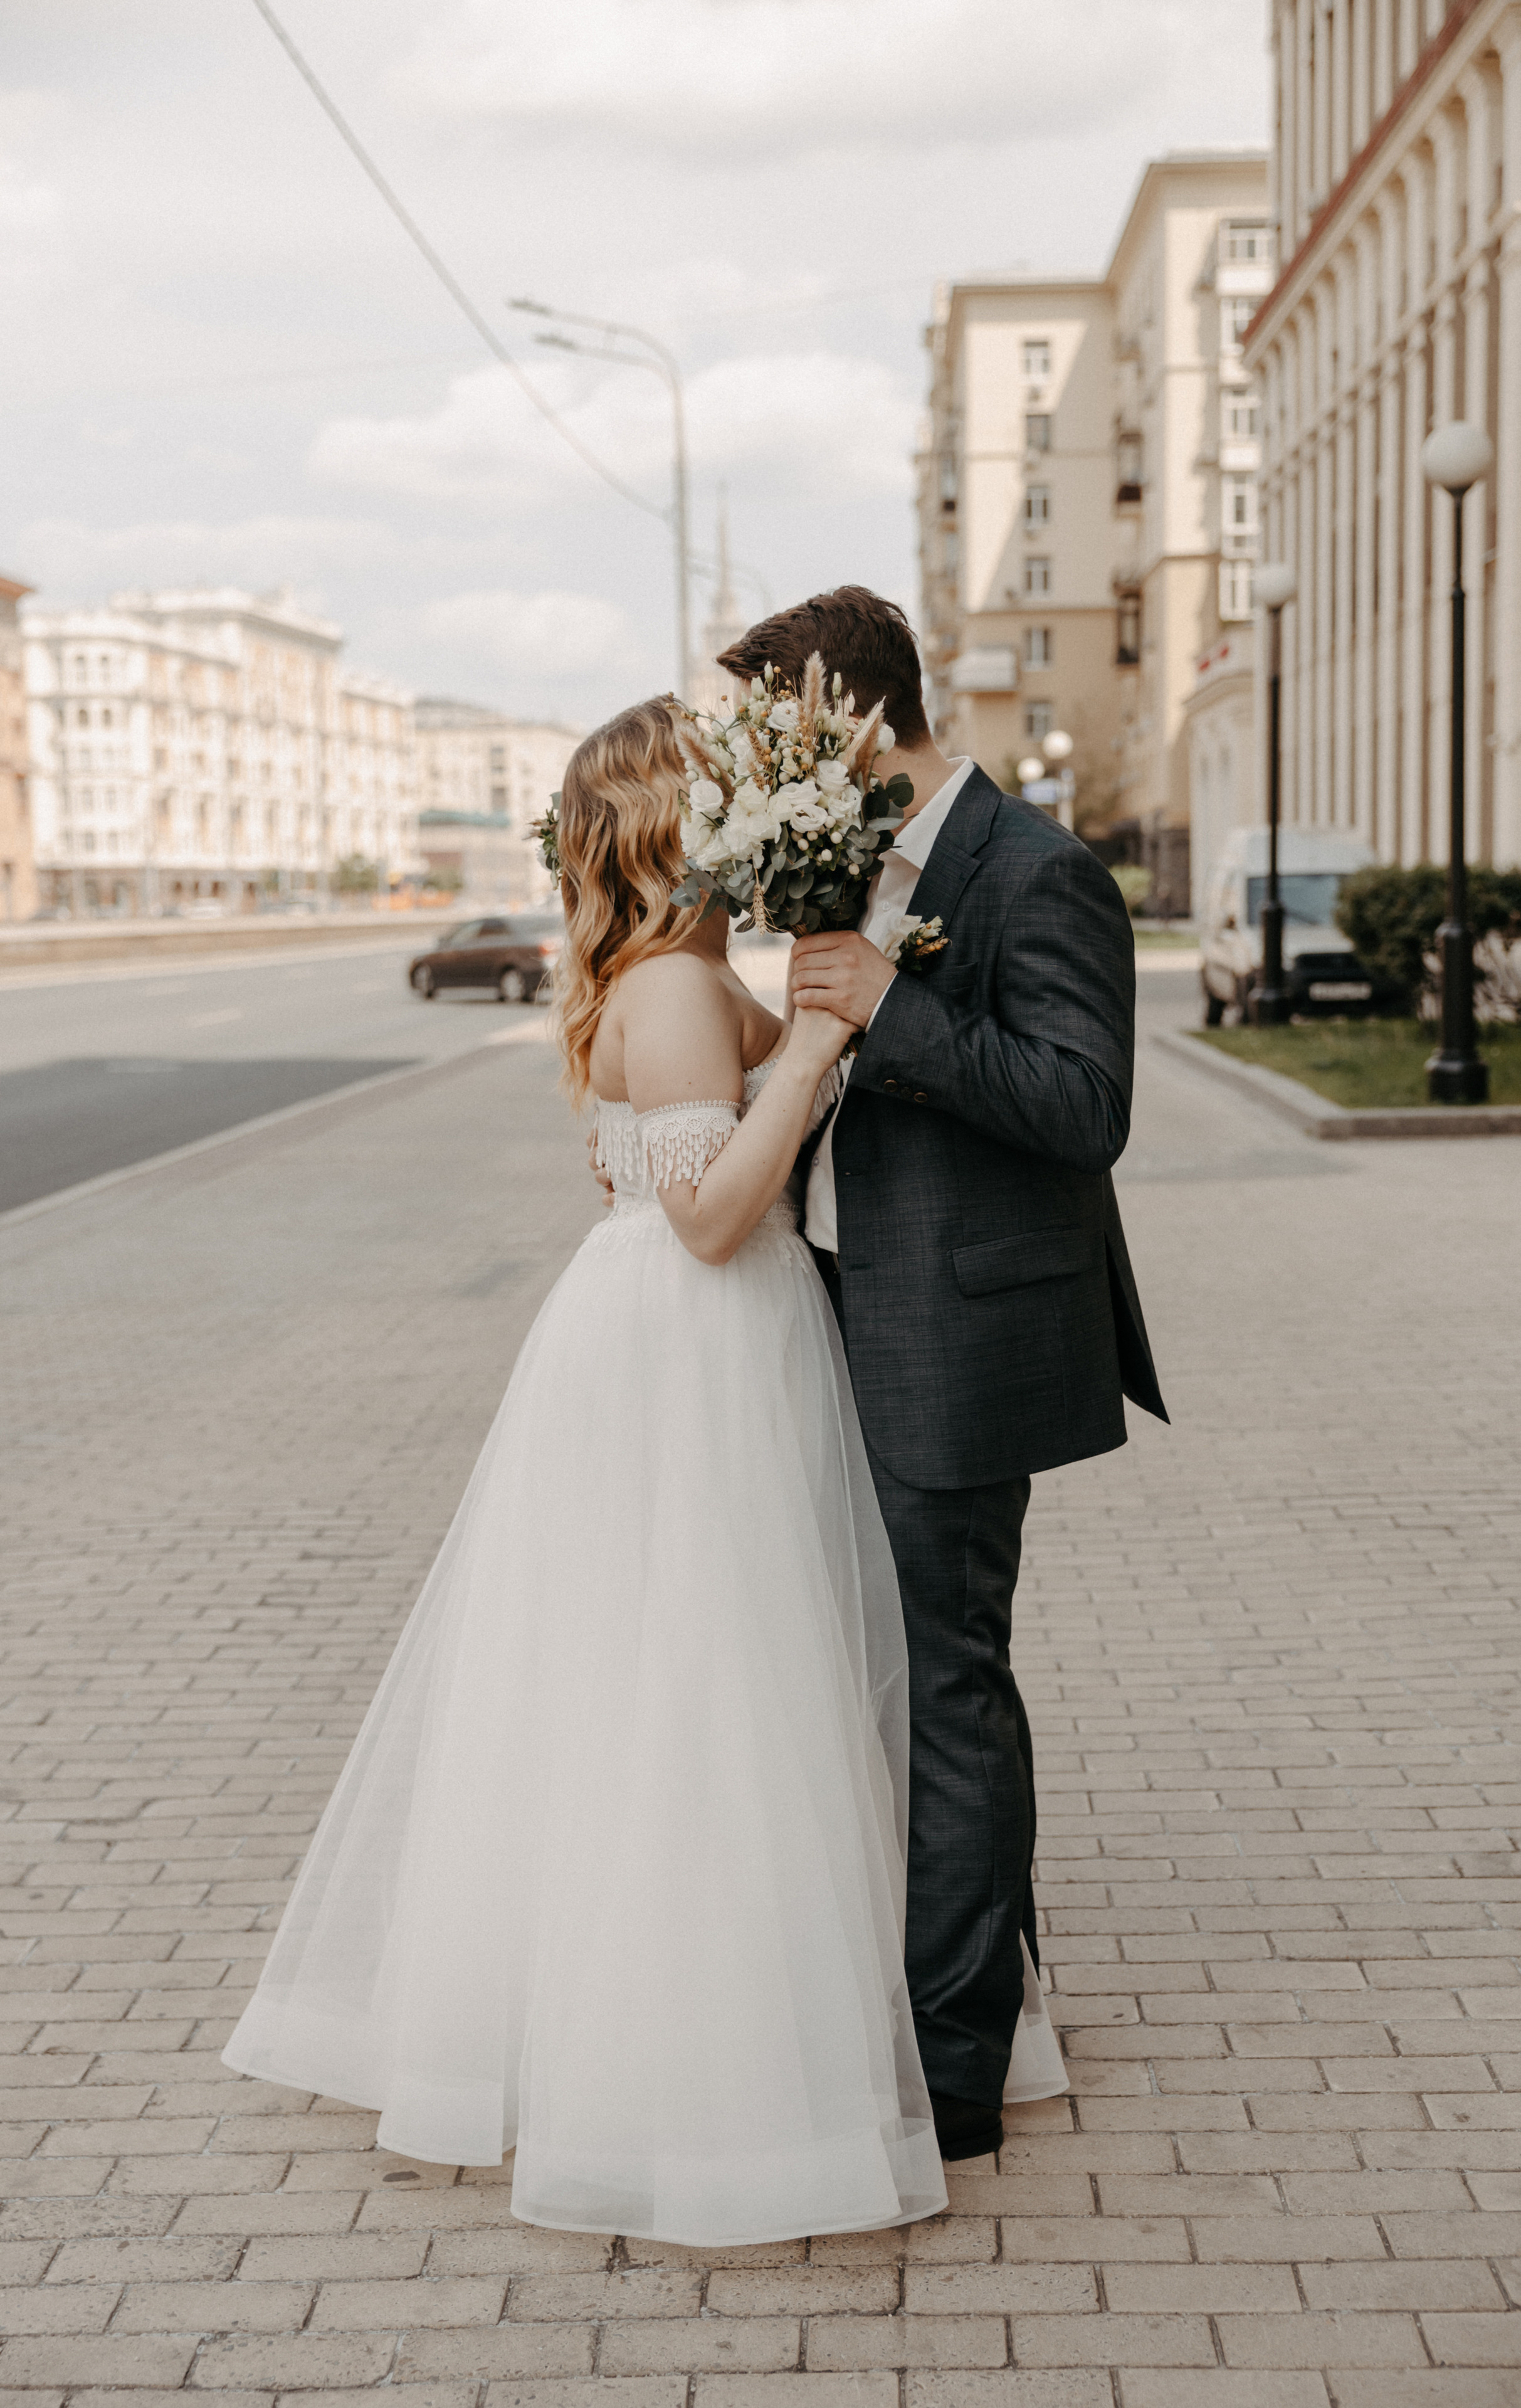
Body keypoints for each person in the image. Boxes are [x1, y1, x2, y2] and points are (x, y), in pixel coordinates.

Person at [221, 696, 1062, 2248]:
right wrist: (815, 1039)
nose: (751, 802)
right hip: (693, 1338)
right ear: (675, 827)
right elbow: (709, 1213)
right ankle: (707, 2061)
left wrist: (826, 964)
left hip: (692, 1343)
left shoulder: (675, 973)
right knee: (703, 1691)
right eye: (724, 791)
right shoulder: (671, 987)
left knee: (685, 1684)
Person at [716, 588, 1168, 2163]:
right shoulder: (838, 865)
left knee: (947, 1687)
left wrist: (887, 1010)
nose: (749, 767)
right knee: (881, 1679)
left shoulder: (1037, 870)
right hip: (831, 1307)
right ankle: (967, 1986)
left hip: (956, 1341)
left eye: (765, 734)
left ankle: (958, 2075)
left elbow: (1079, 1106)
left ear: (839, 721)